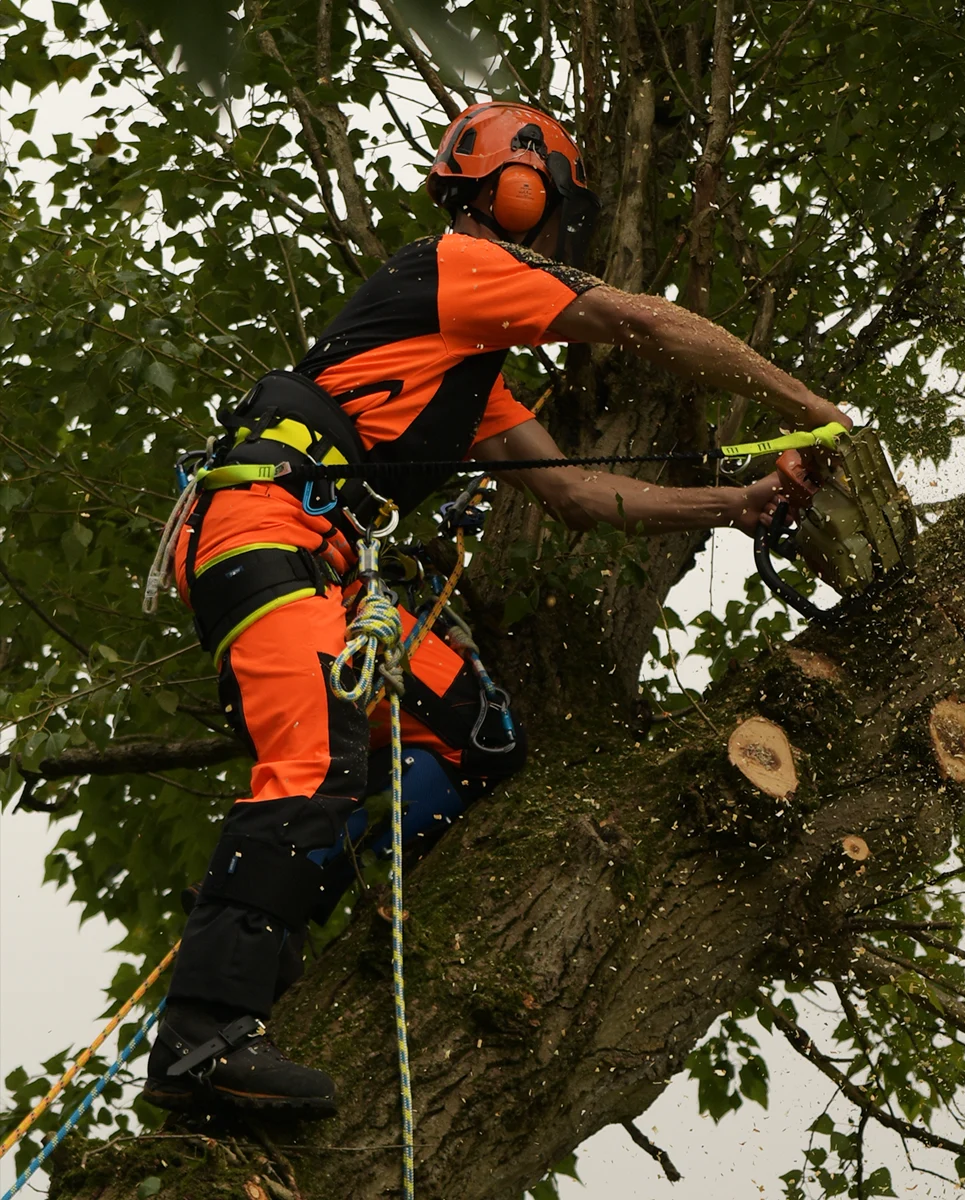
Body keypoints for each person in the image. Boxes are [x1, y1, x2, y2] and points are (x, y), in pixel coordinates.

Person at [142, 100, 851, 1116]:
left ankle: (298, 907)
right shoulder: (455, 266)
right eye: (558, 217)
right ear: (523, 194)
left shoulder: (469, 376)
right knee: (313, 756)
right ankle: (199, 1042)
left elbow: (575, 494)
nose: (563, 244)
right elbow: (644, 319)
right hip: (267, 530)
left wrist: (733, 505)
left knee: (480, 739)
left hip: (331, 562)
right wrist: (810, 408)